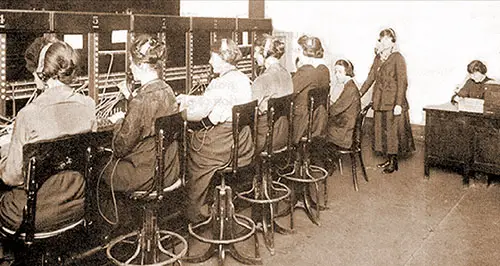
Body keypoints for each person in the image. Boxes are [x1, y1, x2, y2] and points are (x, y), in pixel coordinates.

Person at [0, 36, 96, 233]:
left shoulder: (29, 114)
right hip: (76, 206)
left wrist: (5, 154)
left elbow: (12, 177)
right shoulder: (89, 105)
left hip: (35, 214)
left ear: (42, 70)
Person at [176, 38, 253, 223]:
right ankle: (210, 203)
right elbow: (214, 101)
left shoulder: (219, 83)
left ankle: (195, 212)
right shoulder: (243, 79)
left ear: (223, 58)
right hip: (241, 144)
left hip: (221, 146)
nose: (210, 62)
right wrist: (188, 97)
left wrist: (178, 110)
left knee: (187, 147)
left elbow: (197, 114)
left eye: (213, 57)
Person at [102, 34, 179, 197]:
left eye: (131, 63)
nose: (129, 67)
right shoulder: (168, 90)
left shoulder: (140, 101)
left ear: (142, 66)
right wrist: (131, 97)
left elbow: (120, 148)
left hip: (145, 175)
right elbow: (151, 111)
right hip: (167, 171)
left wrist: (118, 121)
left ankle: (116, 221)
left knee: (98, 167)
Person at [360, 28, 415, 174]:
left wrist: (398, 104)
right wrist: (359, 94)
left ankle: (393, 161)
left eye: (387, 39)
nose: (384, 41)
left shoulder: (398, 57)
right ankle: (388, 158)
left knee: (392, 133)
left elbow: (403, 82)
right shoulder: (378, 58)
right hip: (379, 100)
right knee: (382, 131)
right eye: (382, 38)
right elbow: (371, 77)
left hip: (393, 101)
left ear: (393, 41)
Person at [252, 34, 294, 153]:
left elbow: (250, 112)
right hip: (283, 136)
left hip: (265, 139)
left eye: (256, 52)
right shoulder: (287, 74)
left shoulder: (262, 80)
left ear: (265, 54)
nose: (254, 56)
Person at [292, 35, 330, 144]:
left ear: (306, 52)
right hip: (318, 120)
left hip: (302, 122)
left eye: (299, 50)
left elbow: (289, 92)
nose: (297, 53)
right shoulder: (323, 69)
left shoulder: (306, 71)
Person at [326, 59, 361, 149]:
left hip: (345, 131)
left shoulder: (350, 89)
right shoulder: (349, 85)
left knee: (320, 131)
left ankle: (329, 161)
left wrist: (325, 110)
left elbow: (335, 110)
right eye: (335, 72)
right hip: (347, 125)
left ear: (347, 73)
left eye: (340, 72)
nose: (336, 75)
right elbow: (339, 105)